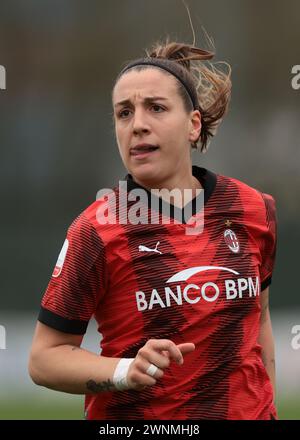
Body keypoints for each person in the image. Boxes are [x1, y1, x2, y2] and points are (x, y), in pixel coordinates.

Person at [29, 38, 277, 420]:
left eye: (156, 108)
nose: (138, 125)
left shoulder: (253, 208)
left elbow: (258, 322)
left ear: (193, 124)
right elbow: (45, 359)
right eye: (124, 113)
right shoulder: (96, 229)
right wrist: (126, 370)